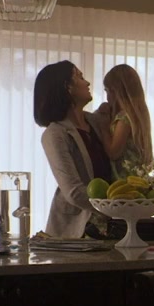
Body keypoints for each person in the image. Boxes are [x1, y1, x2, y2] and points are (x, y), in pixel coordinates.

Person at [34, 61, 113, 238]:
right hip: (75, 233)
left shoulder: (96, 122)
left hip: (109, 226)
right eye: (80, 77)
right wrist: (115, 206)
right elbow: (74, 192)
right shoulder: (55, 134)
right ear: (67, 87)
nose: (88, 83)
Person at [97, 64, 154, 177]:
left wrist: (103, 126)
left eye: (108, 91)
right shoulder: (135, 116)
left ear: (117, 92)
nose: (107, 97)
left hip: (125, 180)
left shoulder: (124, 119)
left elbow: (113, 152)